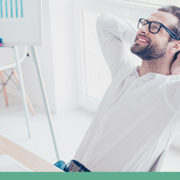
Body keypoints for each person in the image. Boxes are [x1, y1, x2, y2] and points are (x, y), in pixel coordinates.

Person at [55, 5, 180, 172]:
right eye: (144, 24)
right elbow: (104, 21)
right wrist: (143, 39)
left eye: (155, 27)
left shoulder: (171, 93)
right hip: (71, 169)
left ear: (175, 46)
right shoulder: (124, 70)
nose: (143, 29)